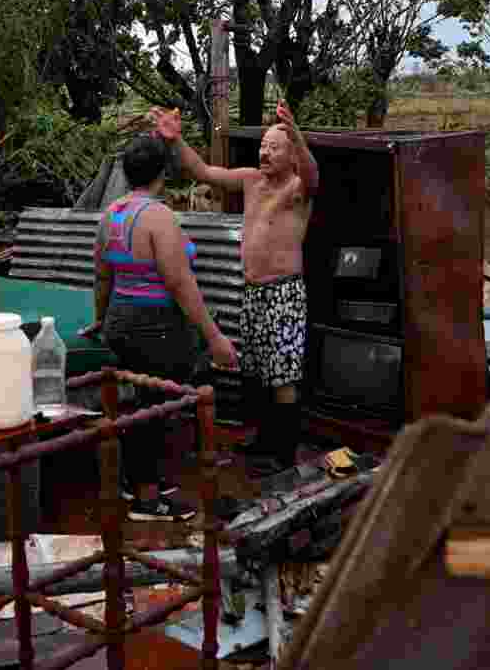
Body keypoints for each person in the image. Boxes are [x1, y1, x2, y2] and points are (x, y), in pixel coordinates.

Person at [150, 100, 319, 476]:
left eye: (275, 147)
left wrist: (297, 133)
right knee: (256, 371)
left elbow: (313, 173)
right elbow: (204, 171)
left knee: (284, 374)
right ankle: (262, 438)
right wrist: (175, 139)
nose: (265, 152)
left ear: (291, 154)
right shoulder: (251, 180)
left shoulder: (297, 189)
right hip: (253, 291)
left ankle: (283, 454)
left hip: (284, 293)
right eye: (264, 146)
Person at [81, 133, 238, 521]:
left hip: (121, 318)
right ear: (162, 174)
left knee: (140, 404)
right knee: (154, 408)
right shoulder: (159, 217)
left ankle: (138, 481)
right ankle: (148, 500)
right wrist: (215, 337)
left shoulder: (111, 215)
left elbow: (102, 277)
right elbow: (179, 282)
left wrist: (101, 319)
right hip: (156, 326)